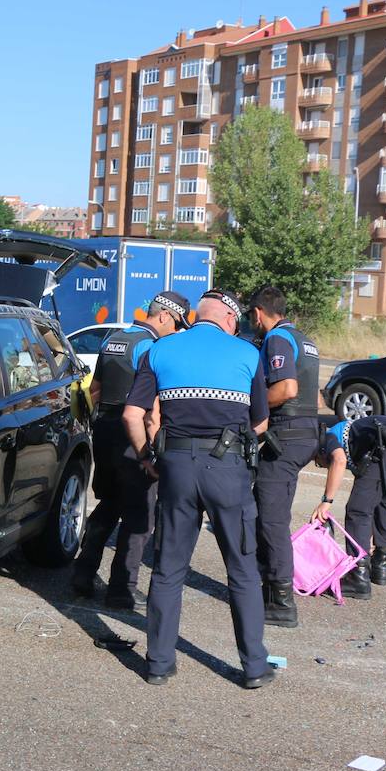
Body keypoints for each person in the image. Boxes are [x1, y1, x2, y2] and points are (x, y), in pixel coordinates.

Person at [124, 289, 274, 689]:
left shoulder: (159, 350)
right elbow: (261, 422)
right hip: (228, 470)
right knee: (241, 570)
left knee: (169, 569)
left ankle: (158, 663)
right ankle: (255, 667)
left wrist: (146, 457)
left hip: (176, 467)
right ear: (227, 317)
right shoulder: (246, 353)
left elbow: (132, 413)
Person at [71, 291, 191, 609]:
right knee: (140, 515)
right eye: (178, 324)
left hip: (104, 430)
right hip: (130, 436)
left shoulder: (114, 338)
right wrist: (150, 453)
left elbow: (94, 390)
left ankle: (82, 573)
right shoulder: (151, 347)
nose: (178, 332)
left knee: (109, 504)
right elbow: (150, 409)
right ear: (165, 315)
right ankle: (122, 589)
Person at [248, 286, 322, 629]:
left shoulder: (276, 339)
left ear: (259, 312)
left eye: (253, 316)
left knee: (270, 518)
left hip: (287, 433)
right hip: (305, 433)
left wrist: (254, 409)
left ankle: (280, 599)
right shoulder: (304, 338)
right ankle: (267, 586)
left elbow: (286, 389)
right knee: (270, 510)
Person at [310, 414, 386, 599]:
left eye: (318, 461)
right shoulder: (355, 434)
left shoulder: (328, 436)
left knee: (358, 509)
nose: (321, 464)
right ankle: (380, 565)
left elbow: (339, 461)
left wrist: (327, 501)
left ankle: (358, 576)